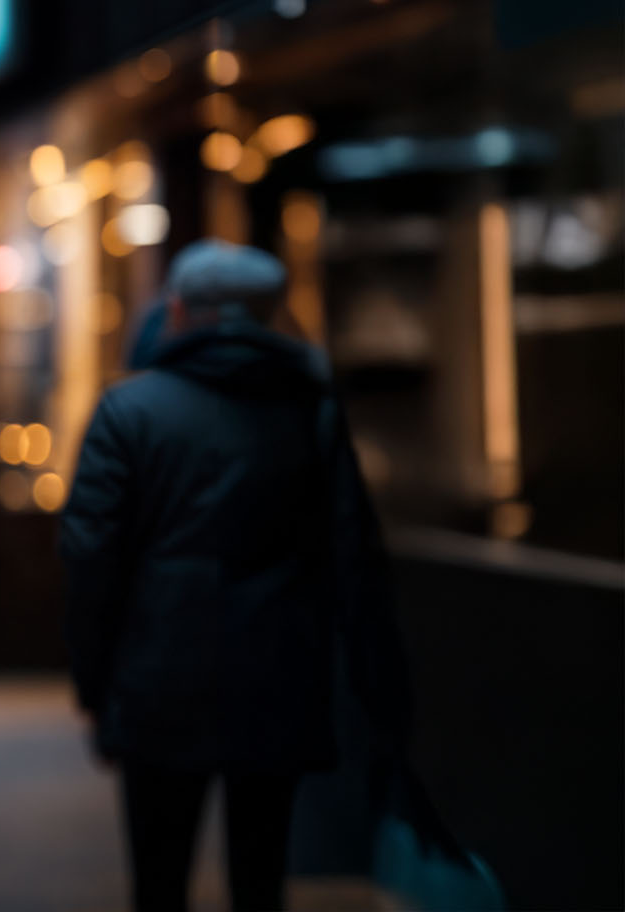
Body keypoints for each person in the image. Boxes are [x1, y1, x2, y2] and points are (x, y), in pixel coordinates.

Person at [58, 239, 408, 912]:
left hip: (156, 682)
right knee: (261, 874)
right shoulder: (312, 412)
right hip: (278, 678)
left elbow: (88, 560)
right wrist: (374, 687)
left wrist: (94, 684)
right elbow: (354, 556)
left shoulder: (128, 412)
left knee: (158, 879)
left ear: (180, 311)